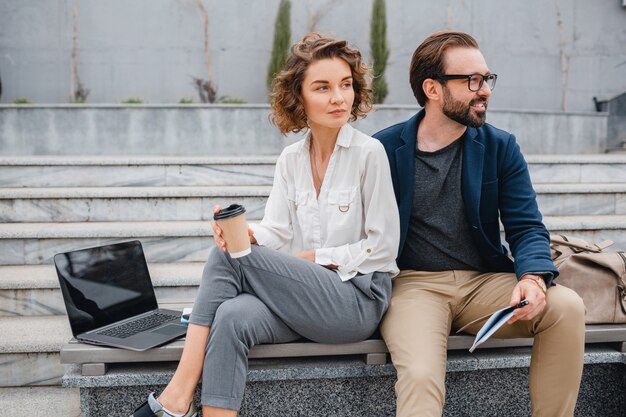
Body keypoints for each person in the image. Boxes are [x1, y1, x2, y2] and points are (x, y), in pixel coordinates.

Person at [130, 33, 400, 417]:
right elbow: (277, 231)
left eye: (345, 85)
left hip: (356, 301)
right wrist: (250, 234)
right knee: (232, 315)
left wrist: (317, 257)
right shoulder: (291, 159)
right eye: (322, 88)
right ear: (299, 97)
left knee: (227, 257)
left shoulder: (369, 154)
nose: (338, 98)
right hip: (303, 300)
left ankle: (178, 392)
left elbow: (384, 247)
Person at [373, 31, 586, 417]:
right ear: (432, 88)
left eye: (487, 78)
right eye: (471, 80)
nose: (484, 90)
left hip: (484, 284)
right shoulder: (383, 150)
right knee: (420, 376)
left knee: (566, 306)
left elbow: (526, 227)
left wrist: (534, 278)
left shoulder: (501, 146)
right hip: (413, 286)